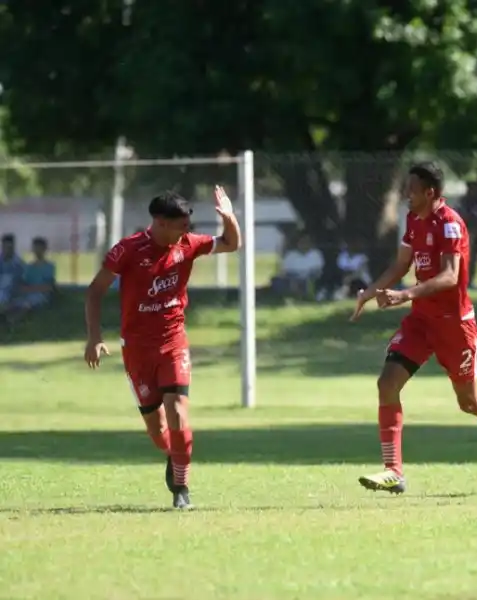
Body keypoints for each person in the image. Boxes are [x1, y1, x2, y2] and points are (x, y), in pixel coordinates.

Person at [350, 161, 477, 494]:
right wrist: (371, 292)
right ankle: (393, 471)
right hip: (421, 322)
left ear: (430, 192)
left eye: (411, 190)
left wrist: (404, 294)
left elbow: (449, 276)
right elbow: (402, 263)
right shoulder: (413, 219)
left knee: (469, 402)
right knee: (387, 383)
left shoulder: (450, 224)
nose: (406, 196)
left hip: (455, 327)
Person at [83, 187, 241, 509]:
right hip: (137, 351)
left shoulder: (188, 245)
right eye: (181, 224)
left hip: (173, 342)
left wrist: (230, 219)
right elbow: (95, 291)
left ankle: (181, 489)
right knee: (158, 433)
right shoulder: (128, 250)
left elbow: (231, 244)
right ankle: (174, 454)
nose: (187, 231)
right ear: (160, 222)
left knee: (179, 412)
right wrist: (94, 337)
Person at [5, 237, 56, 317]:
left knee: (27, 304)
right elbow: (24, 282)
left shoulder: (49, 267)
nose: (37, 251)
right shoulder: (29, 267)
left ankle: (14, 322)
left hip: (41, 295)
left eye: (39, 248)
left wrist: (32, 288)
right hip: (28, 293)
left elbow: (49, 287)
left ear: (44, 249)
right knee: (13, 304)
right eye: (35, 248)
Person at [275, 232, 324, 300]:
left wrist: (305, 275)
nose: (304, 244)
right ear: (297, 243)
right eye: (302, 242)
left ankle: (308, 296)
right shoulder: (290, 255)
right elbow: (285, 271)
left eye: (307, 242)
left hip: (310, 278)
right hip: (293, 277)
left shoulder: (316, 254)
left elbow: (318, 269)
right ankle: (292, 297)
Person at [0, 233, 25, 311]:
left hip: (11, 293)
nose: (8, 250)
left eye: (10, 247)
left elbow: (20, 281)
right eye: (6, 247)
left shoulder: (18, 263)